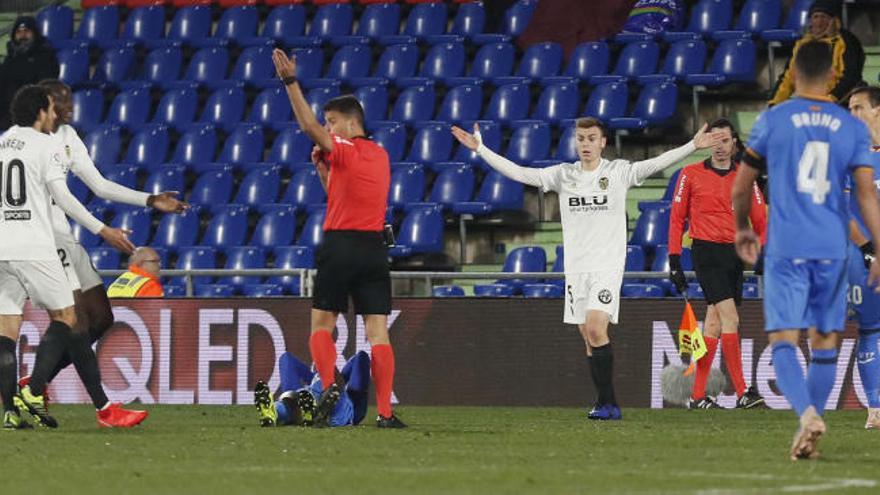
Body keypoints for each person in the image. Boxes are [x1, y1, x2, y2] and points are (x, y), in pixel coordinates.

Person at [452, 118, 723, 420]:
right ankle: (604, 401)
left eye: (591, 138)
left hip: (606, 266)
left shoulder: (618, 172)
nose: (585, 144)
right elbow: (522, 173)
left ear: (603, 142)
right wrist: (482, 150)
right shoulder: (564, 175)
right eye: (581, 138)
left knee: (596, 328)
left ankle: (610, 404)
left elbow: (655, 162)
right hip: (576, 269)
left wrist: (691, 146)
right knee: (588, 336)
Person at [732, 41, 880, 460]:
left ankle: (808, 415)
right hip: (834, 249)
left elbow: (741, 186)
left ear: (793, 74)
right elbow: (867, 196)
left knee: (784, 339)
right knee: (825, 341)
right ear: (834, 75)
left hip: (786, 245)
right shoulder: (850, 127)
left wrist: (742, 227)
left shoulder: (773, 120)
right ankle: (810, 427)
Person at [21, 79, 185, 419]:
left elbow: (99, 184)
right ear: (46, 105)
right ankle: (104, 408)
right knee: (76, 324)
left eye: (70, 99)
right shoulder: (29, 142)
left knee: (101, 319)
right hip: (42, 237)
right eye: (61, 101)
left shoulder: (67, 137)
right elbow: (62, 198)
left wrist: (150, 199)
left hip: (65, 238)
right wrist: (103, 230)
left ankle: (33, 386)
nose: (70, 106)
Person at [271, 49, 404, 428]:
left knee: (321, 326)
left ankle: (329, 388)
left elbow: (308, 128)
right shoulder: (379, 156)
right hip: (374, 249)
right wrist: (321, 170)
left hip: (341, 246)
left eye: (332, 122)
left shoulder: (342, 147)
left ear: (349, 124)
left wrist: (290, 82)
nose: (327, 128)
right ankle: (386, 414)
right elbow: (342, 196)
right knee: (377, 331)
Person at [0, 86, 135, 429]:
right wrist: (102, 229)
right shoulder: (46, 145)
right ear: (40, 113)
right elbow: (64, 197)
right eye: (50, 109)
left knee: (6, 331)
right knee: (68, 317)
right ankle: (33, 390)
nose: (54, 115)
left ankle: (10, 412)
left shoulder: (1, 143)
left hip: (2, 246)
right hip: (34, 244)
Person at [667, 118, 767, 410]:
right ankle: (742, 391)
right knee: (730, 319)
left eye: (724, 140)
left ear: (734, 143)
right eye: (714, 140)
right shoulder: (689, 174)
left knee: (712, 325)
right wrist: (674, 258)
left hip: (734, 254)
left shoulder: (745, 177)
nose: (719, 147)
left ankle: (698, 396)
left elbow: (760, 217)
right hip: (706, 253)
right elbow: (676, 217)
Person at [844, 85, 880, 429]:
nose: (852, 115)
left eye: (859, 108)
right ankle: (875, 410)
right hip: (862, 257)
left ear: (878, 111)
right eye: (849, 109)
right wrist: (868, 249)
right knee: (870, 329)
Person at [769, 0, 864, 106]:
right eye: (815, 17)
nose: (819, 22)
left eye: (824, 17)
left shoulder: (848, 42)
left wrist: (829, 99)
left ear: (834, 21)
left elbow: (850, 77)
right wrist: (774, 104)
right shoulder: (802, 44)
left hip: (842, 101)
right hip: (811, 100)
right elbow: (788, 77)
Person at [254, 351, 371, 428]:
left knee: (291, 402)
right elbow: (361, 358)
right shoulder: (319, 381)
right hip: (319, 400)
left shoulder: (337, 383)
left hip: (336, 408)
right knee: (297, 398)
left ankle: (273, 412)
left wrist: (329, 371)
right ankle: (279, 413)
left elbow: (361, 359)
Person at [0, 17, 59, 129]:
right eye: (19, 32)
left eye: (26, 31)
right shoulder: (10, 58)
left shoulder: (45, 56)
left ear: (35, 33)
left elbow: (45, 85)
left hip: (32, 111)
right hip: (7, 111)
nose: (22, 35)